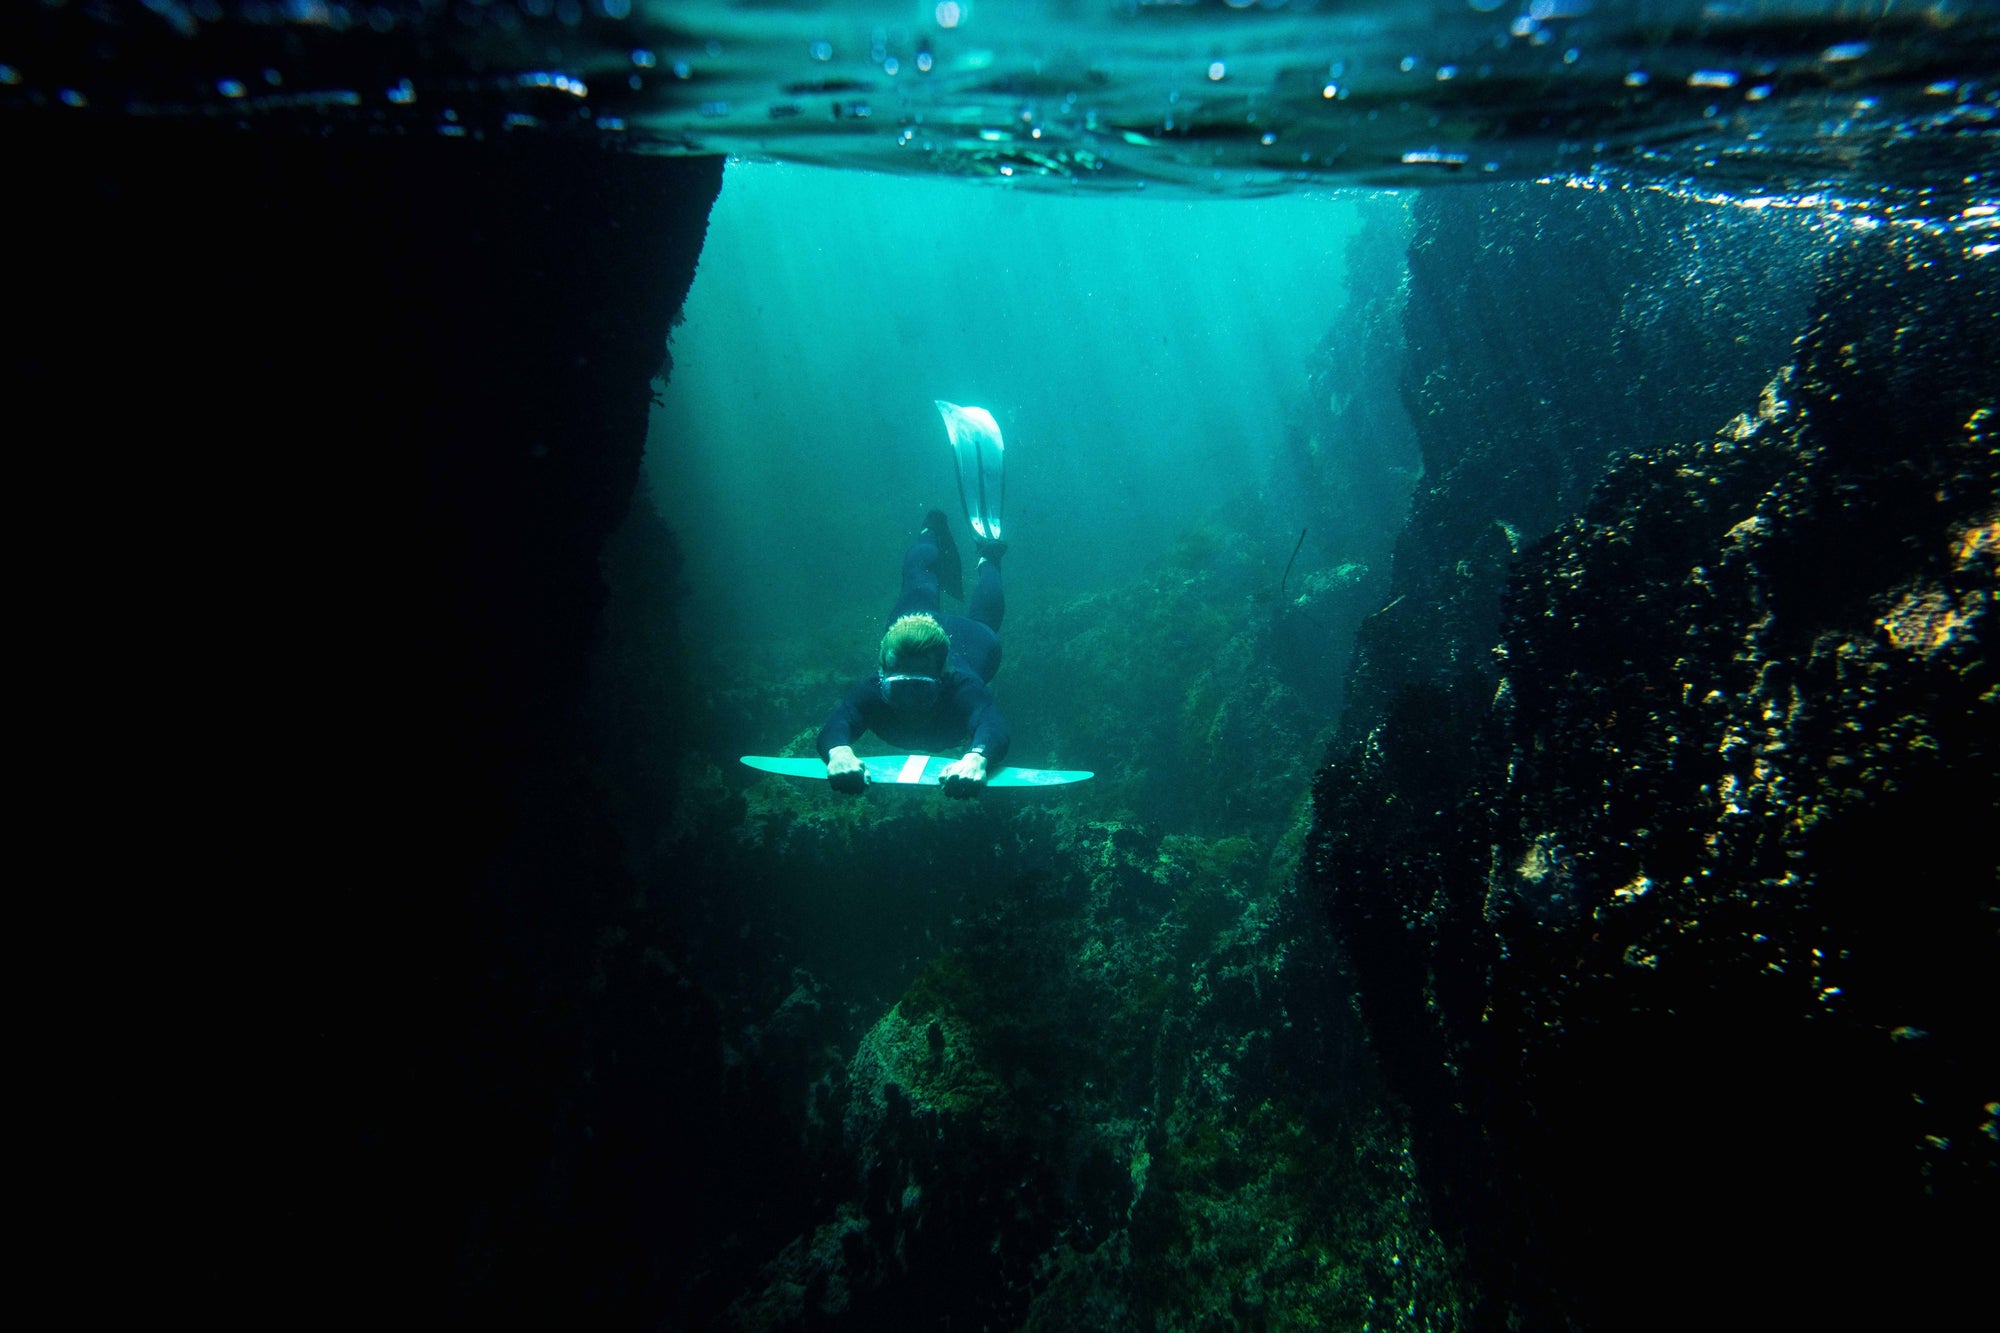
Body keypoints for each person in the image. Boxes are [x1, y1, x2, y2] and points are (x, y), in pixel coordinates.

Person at [817, 510, 1010, 797]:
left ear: (945, 676)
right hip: (916, 625)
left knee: (982, 622)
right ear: (881, 674)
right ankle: (930, 530)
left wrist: (977, 757)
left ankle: (988, 558)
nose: (909, 704)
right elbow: (839, 722)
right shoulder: (873, 687)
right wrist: (839, 752)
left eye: (920, 690)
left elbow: (991, 723)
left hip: (971, 640)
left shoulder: (963, 686)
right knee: (918, 581)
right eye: (898, 689)